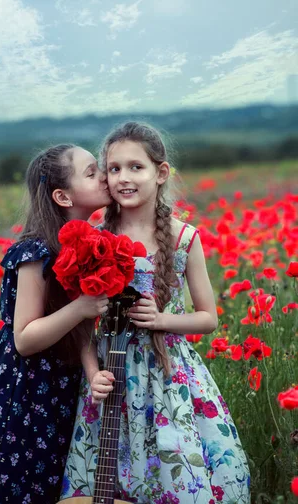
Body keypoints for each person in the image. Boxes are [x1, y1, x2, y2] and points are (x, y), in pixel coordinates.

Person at [60, 122, 250, 504]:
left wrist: (162, 319)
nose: (123, 178)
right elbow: (81, 321)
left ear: (161, 173)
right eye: (113, 169)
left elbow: (207, 317)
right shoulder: (94, 235)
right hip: (110, 374)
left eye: (136, 167)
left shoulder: (183, 238)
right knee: (107, 477)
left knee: (174, 468)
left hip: (168, 374)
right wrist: (92, 372)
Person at [0, 144, 111, 504]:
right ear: (63, 196)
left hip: (59, 384)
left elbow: (80, 326)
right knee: (10, 484)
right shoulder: (36, 251)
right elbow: (24, 338)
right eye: (90, 172)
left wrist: (91, 372)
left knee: (48, 484)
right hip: (24, 388)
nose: (103, 175)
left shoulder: (89, 245)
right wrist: (82, 307)